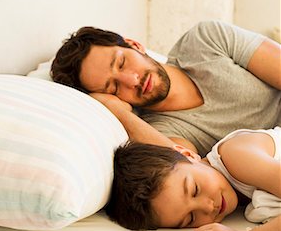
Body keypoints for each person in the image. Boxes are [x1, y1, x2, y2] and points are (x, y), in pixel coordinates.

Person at [51, 21, 281, 156]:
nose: (132, 80)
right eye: (113, 88)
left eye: (121, 62)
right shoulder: (159, 132)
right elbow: (191, 168)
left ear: (135, 45)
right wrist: (119, 113)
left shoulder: (206, 40)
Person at [105, 127, 281, 231]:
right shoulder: (238, 195)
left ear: (187, 154)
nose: (207, 207)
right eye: (190, 218)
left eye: (195, 189)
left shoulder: (235, 155)